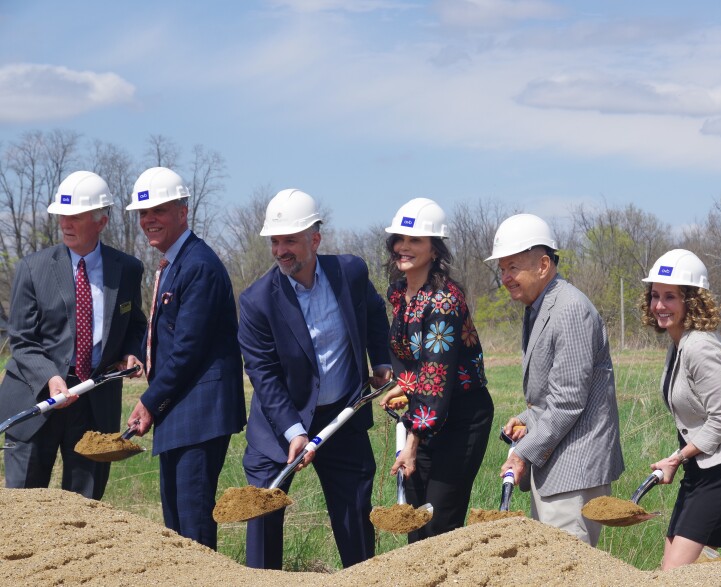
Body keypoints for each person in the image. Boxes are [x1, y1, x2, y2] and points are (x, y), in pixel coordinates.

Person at [238, 188, 392, 569]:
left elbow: (374, 312)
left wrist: (382, 361)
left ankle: (361, 579)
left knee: (355, 515)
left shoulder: (350, 272)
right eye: (275, 241)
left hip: (342, 417)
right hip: (280, 426)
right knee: (263, 517)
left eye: (290, 240)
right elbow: (264, 375)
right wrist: (295, 432)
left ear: (315, 239)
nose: (280, 250)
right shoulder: (257, 301)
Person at [1, 170, 146, 500]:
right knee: (24, 506)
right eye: (61, 216)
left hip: (94, 402)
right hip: (37, 398)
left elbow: (136, 323)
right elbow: (22, 338)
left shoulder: (127, 269)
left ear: (101, 221)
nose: (65, 223)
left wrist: (131, 351)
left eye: (75, 216)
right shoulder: (33, 268)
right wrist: (51, 378)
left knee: (84, 507)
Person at [124, 167, 246, 550]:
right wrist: (142, 355)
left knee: (191, 523)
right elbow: (172, 333)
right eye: (143, 214)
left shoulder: (199, 266)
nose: (148, 221)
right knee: (175, 522)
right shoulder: (176, 264)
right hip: (180, 408)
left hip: (200, 411)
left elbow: (188, 349)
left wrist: (148, 401)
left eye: (158, 210)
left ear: (183, 211)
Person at [488, 213, 624, 545]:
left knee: (566, 570)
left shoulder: (569, 310)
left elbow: (567, 403)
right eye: (502, 269)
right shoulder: (540, 305)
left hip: (574, 471)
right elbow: (552, 394)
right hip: (557, 464)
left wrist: (521, 453)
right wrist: (525, 418)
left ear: (543, 265)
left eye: (513, 268)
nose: (505, 277)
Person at [378, 198, 493, 541]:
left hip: (459, 420)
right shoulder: (401, 294)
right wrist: (403, 386)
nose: (403, 247)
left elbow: (436, 374)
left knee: (439, 524)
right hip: (424, 415)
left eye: (415, 241)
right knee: (415, 524)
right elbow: (414, 362)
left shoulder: (443, 300)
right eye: (399, 239)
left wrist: (412, 441)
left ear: (434, 249)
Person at [640, 249, 721, 570]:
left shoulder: (700, 347)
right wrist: (683, 460)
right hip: (701, 466)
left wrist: (677, 458)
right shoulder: (678, 344)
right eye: (655, 296)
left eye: (670, 297)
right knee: (673, 570)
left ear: (691, 300)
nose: (660, 305)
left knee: (675, 573)